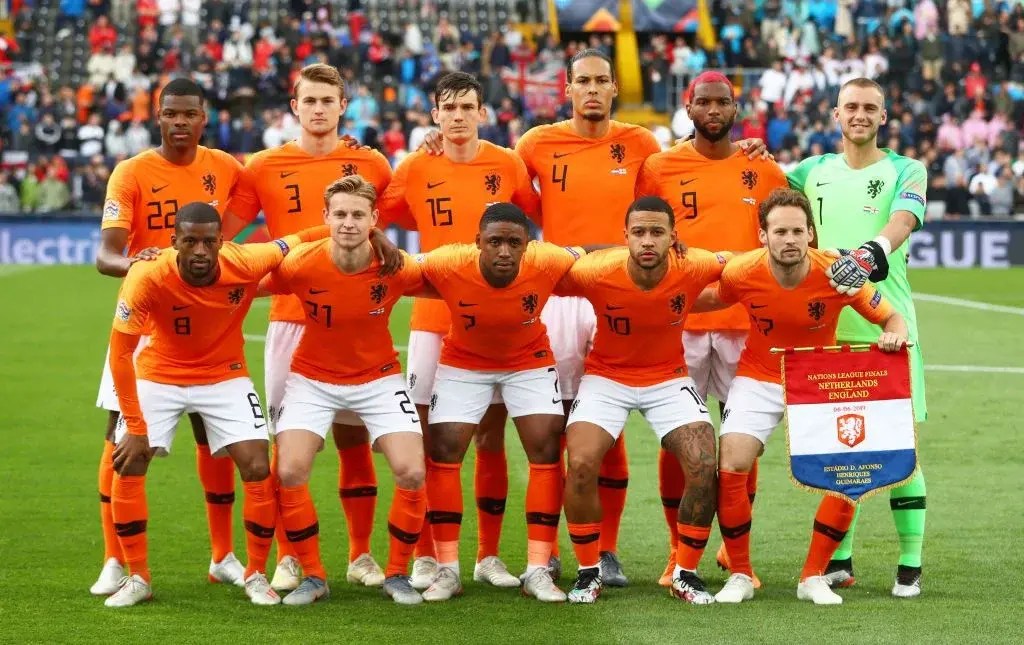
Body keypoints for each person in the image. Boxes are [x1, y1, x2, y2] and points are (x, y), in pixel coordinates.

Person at [223, 63, 396, 593]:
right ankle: (290, 556)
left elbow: (389, 226)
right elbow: (226, 234)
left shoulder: (372, 164)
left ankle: (360, 554)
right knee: (288, 445)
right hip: (290, 321)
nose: (319, 109)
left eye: (328, 100)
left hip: (356, 321)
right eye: (310, 100)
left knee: (354, 438)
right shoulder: (263, 165)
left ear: (343, 106)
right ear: (294, 107)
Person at [104, 202, 327, 607]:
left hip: (224, 375)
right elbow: (120, 353)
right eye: (190, 241)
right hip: (159, 374)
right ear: (174, 242)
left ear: (222, 241)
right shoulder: (146, 274)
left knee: (257, 464)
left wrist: (365, 234)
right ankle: (138, 577)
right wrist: (135, 426)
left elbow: (300, 238)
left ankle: (255, 574)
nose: (200, 251)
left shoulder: (247, 259)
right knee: (128, 459)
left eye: (209, 242)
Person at [704, 188, 908, 605]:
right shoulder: (742, 272)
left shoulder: (837, 273)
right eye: (780, 231)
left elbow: (892, 315)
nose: (790, 239)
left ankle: (813, 576)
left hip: (818, 380)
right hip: (758, 376)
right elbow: (704, 300)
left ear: (810, 233)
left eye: (798, 231)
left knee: (850, 470)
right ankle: (740, 574)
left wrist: (894, 335)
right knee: (732, 462)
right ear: (763, 235)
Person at [377, 71, 541, 591]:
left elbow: (532, 220)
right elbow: (379, 215)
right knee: (428, 439)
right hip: (433, 320)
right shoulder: (416, 166)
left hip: (496, 323)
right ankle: (427, 555)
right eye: (448, 108)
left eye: (467, 107)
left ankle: (487, 556)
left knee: (490, 436)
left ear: (482, 113)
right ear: (434, 115)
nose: (458, 116)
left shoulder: (507, 163)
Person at [92, 78, 244, 596]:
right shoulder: (131, 172)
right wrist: (138, 263)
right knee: (119, 434)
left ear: (204, 118)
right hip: (144, 322)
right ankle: (115, 559)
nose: (180, 122)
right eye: (171, 113)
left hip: (207, 321)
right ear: (157, 117)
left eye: (189, 114)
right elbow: (106, 254)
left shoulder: (225, 167)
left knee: (214, 435)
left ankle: (222, 555)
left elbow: (270, 182)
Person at [635, 70, 788, 586]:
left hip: (745, 322)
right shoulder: (660, 167)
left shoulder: (762, 168)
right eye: (704, 102)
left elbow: (785, 234)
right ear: (689, 107)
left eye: (723, 102)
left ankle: (733, 549)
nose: (714, 110)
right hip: (680, 321)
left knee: (743, 434)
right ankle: (677, 549)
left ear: (735, 108)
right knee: (678, 439)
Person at [788, 77, 929, 598]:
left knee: (900, 448)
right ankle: (840, 560)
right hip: (828, 330)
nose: (860, 114)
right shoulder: (810, 171)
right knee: (838, 450)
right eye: (851, 106)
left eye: (871, 107)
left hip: (888, 326)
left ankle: (910, 564)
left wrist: (872, 252)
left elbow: (905, 218)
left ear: (884, 116)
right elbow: (765, 196)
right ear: (835, 113)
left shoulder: (906, 169)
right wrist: (751, 153)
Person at [261, 176, 430, 606]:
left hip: (378, 379)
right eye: (340, 214)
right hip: (312, 380)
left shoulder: (396, 266)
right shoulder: (301, 263)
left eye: (358, 215)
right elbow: (241, 280)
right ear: (326, 217)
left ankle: (397, 574)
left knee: (412, 471)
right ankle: (313, 576)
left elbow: (450, 277)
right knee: (289, 471)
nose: (348, 223)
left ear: (374, 220)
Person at [555, 196, 727, 605]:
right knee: (580, 463)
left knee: (704, 463)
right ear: (625, 237)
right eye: (639, 233)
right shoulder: (597, 270)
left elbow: (745, 263)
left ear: (673, 237)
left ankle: (686, 573)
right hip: (606, 379)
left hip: (668, 379)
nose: (647, 241)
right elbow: (543, 271)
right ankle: (588, 572)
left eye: (656, 232)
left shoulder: (694, 265)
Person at [411, 203, 584, 603]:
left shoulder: (548, 259)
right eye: (494, 242)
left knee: (546, 449)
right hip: (464, 363)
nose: (504, 251)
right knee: (444, 452)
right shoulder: (448, 261)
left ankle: (538, 569)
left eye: (513, 242)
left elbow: (590, 255)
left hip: (528, 362)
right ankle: (447, 569)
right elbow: (398, 269)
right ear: (478, 242)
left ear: (528, 245)